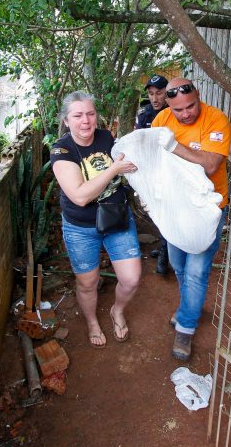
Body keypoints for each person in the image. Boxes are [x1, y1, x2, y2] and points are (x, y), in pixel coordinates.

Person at [50, 92, 142, 348]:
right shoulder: (61, 150)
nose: (86, 121)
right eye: (77, 115)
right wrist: (113, 169)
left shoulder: (106, 137)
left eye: (90, 114)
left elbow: (129, 165)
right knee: (88, 282)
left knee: (131, 278)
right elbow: (79, 196)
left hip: (116, 217)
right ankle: (92, 320)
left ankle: (117, 310)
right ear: (66, 120)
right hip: (81, 227)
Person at [152, 77, 231, 360]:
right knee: (178, 264)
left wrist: (174, 147)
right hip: (175, 207)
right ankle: (191, 306)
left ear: (198, 96)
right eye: (179, 110)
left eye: (191, 106)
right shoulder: (160, 119)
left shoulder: (216, 119)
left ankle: (185, 328)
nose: (186, 113)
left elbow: (211, 165)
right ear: (167, 106)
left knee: (197, 270)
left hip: (207, 208)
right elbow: (154, 159)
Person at [135, 74, 171, 275]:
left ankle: (166, 254)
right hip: (151, 170)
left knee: (168, 210)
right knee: (157, 212)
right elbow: (139, 142)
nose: (155, 98)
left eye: (159, 93)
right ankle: (167, 246)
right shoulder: (144, 114)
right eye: (151, 94)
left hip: (170, 170)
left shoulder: (175, 112)